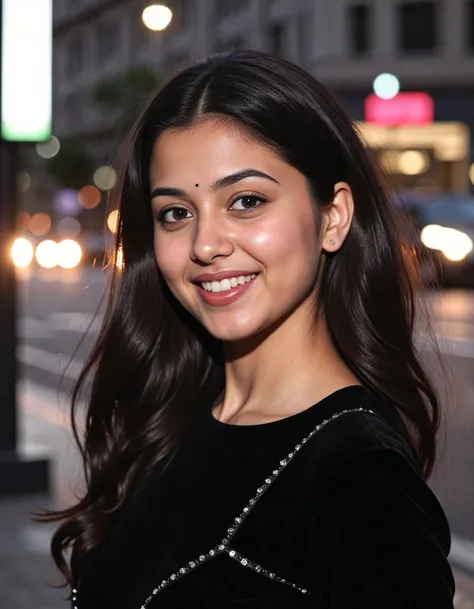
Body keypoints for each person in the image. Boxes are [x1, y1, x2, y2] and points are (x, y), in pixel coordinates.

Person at [43, 50, 455, 608]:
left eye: (246, 201)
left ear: (332, 217)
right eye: (175, 213)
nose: (205, 244)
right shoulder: (165, 421)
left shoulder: (362, 479)